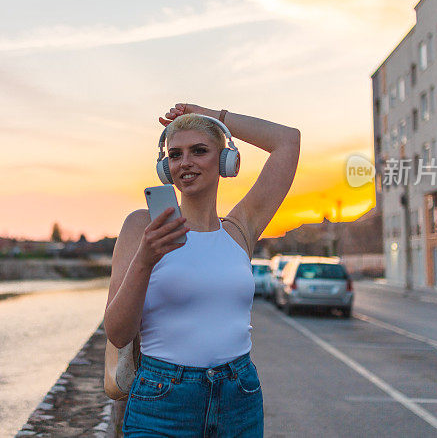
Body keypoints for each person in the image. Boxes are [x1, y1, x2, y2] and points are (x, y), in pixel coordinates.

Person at [104, 103, 300, 437]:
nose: (185, 163)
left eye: (199, 151)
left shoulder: (239, 230)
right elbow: (118, 332)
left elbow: (288, 141)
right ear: (165, 167)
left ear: (226, 160)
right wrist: (145, 259)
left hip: (239, 396)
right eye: (175, 154)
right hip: (162, 400)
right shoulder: (143, 226)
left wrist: (213, 116)